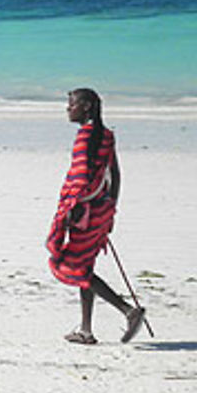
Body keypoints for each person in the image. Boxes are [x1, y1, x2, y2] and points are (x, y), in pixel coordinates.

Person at [46, 88, 145, 344]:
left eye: (72, 104)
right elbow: (116, 175)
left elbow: (79, 179)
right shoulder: (106, 136)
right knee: (85, 265)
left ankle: (129, 311)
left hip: (83, 211)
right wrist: (111, 208)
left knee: (73, 266)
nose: (68, 109)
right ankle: (86, 330)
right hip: (101, 209)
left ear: (86, 107)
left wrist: (70, 208)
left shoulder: (85, 136)